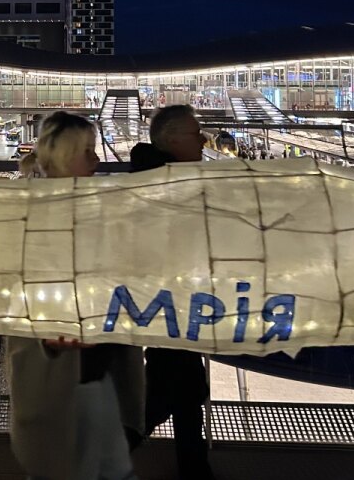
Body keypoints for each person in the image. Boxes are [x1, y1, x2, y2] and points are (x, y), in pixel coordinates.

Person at [7, 111, 144, 480]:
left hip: (99, 372)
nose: (97, 159)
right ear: (65, 157)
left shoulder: (98, 211)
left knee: (110, 469)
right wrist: (46, 337)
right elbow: (10, 299)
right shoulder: (28, 218)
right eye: (87, 150)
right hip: (64, 380)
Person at [128, 105, 214, 480]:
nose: (203, 139)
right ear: (174, 139)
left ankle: (194, 466)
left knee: (183, 388)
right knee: (170, 390)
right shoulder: (164, 182)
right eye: (196, 133)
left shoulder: (167, 176)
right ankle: (99, 457)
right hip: (168, 301)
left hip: (179, 299)